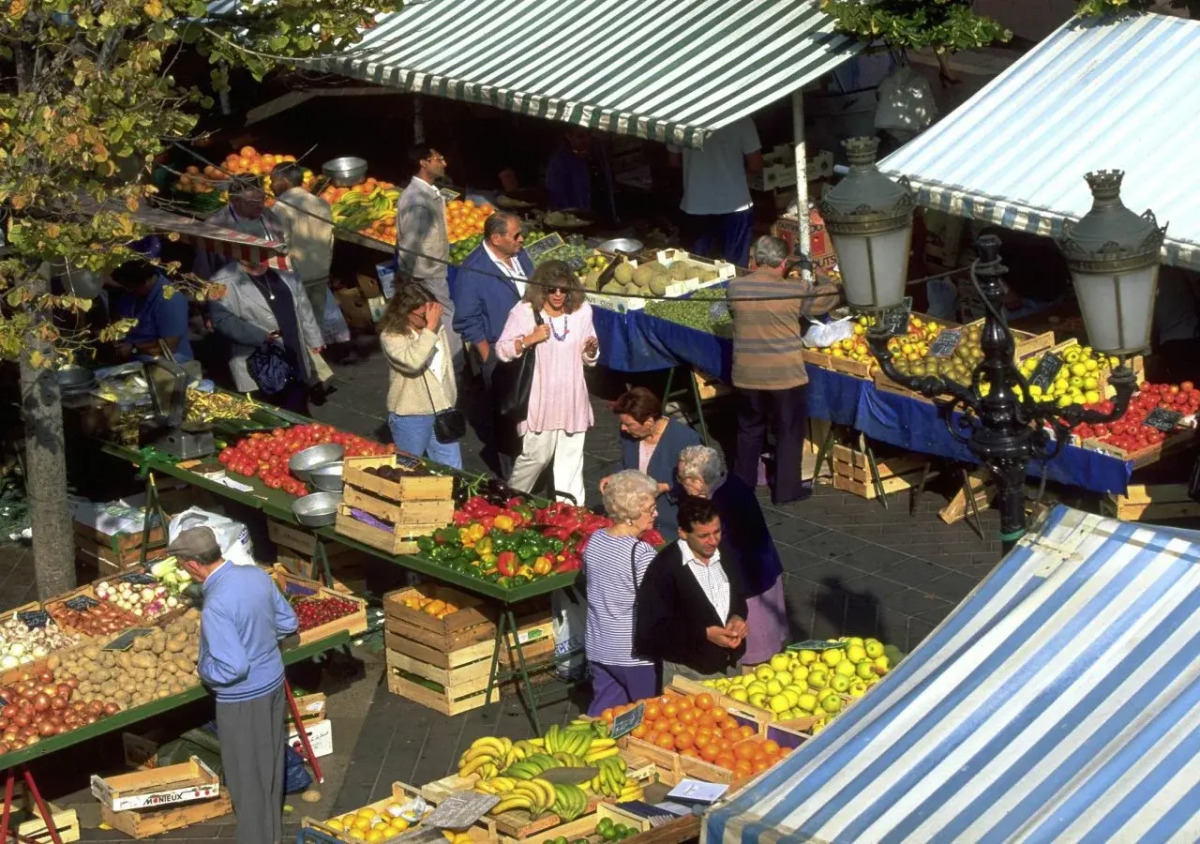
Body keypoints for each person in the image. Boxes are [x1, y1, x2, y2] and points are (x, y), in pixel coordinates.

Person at [169, 526, 298, 844]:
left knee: (246, 778)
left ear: (192, 565)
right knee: (268, 767)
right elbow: (287, 622)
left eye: (181, 565)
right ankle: (271, 836)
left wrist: (205, 670)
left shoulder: (216, 604)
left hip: (242, 700)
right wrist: (260, 643)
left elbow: (233, 666)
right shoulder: (255, 575)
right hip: (273, 684)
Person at [727, 235, 841, 504]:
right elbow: (827, 300)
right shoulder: (794, 289)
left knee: (749, 430)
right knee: (788, 432)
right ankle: (786, 491)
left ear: (756, 260)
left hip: (746, 374)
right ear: (783, 263)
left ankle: (742, 488)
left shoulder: (735, 287)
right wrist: (823, 277)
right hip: (785, 376)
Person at [496, 260, 599, 506]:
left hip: (572, 398)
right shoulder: (524, 311)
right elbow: (502, 350)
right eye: (552, 289)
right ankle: (509, 502)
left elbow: (590, 357)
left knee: (570, 463)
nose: (558, 295)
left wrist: (591, 350)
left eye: (563, 289)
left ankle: (571, 514)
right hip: (540, 399)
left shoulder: (582, 311)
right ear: (541, 289)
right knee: (535, 457)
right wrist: (529, 339)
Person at [677, 446, 786, 665]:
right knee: (772, 638)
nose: (679, 484)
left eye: (681, 479)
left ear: (697, 482)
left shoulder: (717, 506)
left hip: (748, 582)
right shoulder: (732, 483)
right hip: (764, 568)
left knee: (756, 650)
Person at [452, 211, 534, 475]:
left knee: (533, 411)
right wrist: (487, 355)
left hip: (532, 346)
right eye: (516, 235)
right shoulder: (473, 270)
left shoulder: (520, 256)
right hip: (501, 354)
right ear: (496, 238)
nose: (521, 239)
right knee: (507, 417)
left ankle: (534, 464)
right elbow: (466, 319)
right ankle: (513, 477)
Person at [634, 495, 748, 682]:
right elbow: (652, 629)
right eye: (703, 536)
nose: (713, 541)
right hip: (688, 672)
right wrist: (704, 634)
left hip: (732, 665)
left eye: (717, 532)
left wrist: (738, 616)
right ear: (683, 533)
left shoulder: (725, 553)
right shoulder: (664, 568)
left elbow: (739, 596)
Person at [582, 470, 661, 715]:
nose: (656, 514)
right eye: (650, 509)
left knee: (604, 717)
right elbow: (657, 602)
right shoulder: (641, 554)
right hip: (633, 654)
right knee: (648, 718)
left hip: (599, 645)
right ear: (630, 514)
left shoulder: (595, 540)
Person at [209, 257, 324, 414]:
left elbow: (303, 306)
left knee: (298, 405)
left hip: (293, 350)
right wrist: (262, 336)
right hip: (260, 361)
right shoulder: (221, 281)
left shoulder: (283, 268)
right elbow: (222, 319)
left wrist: (314, 337)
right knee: (272, 412)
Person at [378, 283, 462, 468]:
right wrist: (430, 329)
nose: (430, 318)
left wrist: (450, 399)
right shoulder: (391, 336)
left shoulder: (436, 326)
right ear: (404, 312)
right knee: (408, 468)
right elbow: (413, 362)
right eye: (424, 315)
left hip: (443, 408)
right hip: (411, 415)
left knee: (452, 469)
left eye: (433, 312)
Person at [599, 387, 701, 536]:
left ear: (649, 422)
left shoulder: (685, 439)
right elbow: (624, 462)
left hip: (670, 520)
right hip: (633, 517)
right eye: (622, 423)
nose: (623, 428)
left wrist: (664, 487)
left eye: (629, 424)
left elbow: (697, 483)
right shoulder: (629, 434)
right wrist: (616, 476)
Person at [667, 117, 763, 267]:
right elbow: (755, 164)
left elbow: (673, 161)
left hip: (696, 203)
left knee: (698, 266)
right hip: (735, 203)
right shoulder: (742, 119)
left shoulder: (680, 118)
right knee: (735, 268)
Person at [395, 146, 458, 360]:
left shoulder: (429, 193)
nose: (443, 163)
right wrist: (410, 275)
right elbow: (410, 243)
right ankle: (456, 362)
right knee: (444, 313)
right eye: (438, 159)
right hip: (426, 271)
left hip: (431, 268)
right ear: (423, 163)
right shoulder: (417, 201)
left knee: (439, 313)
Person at [269, 163, 334, 322]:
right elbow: (330, 239)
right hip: (320, 273)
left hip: (297, 278)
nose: (271, 186)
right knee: (317, 321)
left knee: (299, 323)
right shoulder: (321, 203)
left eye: (272, 181)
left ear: (283, 181)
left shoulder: (281, 207)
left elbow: (279, 245)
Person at [195, 179, 287, 280]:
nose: (260, 205)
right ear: (236, 201)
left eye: (262, 199)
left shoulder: (267, 215)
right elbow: (204, 274)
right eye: (253, 202)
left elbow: (281, 247)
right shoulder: (213, 230)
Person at [109, 258, 194, 364]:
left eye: (132, 288)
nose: (130, 291)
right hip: (136, 360)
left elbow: (170, 345)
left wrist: (133, 348)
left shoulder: (171, 299)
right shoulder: (132, 294)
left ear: (146, 282)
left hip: (169, 363)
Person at [544, 127, 616, 219]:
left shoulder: (598, 150)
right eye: (580, 136)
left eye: (589, 134)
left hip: (601, 215)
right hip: (575, 219)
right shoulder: (559, 161)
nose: (586, 140)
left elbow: (607, 185)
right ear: (569, 137)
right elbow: (557, 198)